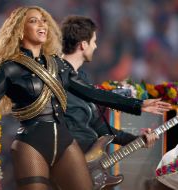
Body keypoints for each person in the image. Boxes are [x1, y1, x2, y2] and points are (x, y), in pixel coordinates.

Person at [0, 7, 171, 190]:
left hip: (66, 143)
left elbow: (93, 93)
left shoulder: (58, 65)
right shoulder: (10, 68)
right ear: (19, 29)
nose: (42, 24)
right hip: (31, 144)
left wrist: (138, 104)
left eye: (44, 19)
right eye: (33, 20)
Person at [60, 15, 170, 153]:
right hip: (68, 155)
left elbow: (100, 127)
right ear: (83, 44)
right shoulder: (60, 73)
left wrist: (136, 140)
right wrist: (138, 104)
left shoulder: (82, 77)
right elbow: (96, 94)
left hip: (88, 158)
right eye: (94, 41)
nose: (95, 46)